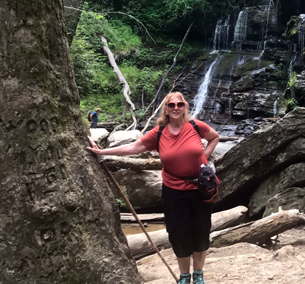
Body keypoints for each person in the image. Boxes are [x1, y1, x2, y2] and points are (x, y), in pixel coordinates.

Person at [87, 92, 220, 284]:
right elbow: (133, 148)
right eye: (171, 104)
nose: (176, 108)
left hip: (200, 188)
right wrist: (101, 152)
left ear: (185, 107)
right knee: (177, 232)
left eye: (180, 104)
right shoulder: (158, 133)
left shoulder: (196, 126)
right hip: (173, 190)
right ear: (166, 108)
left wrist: (204, 159)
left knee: (201, 229)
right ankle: (184, 276)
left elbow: (214, 138)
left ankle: (198, 274)